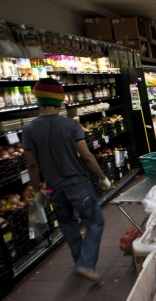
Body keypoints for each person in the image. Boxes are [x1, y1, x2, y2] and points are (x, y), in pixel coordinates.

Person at [22, 78, 110, 280]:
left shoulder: (29, 129)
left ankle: (80, 262)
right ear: (60, 101)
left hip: (53, 188)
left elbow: (32, 165)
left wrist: (37, 192)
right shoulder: (71, 125)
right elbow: (86, 156)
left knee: (68, 225)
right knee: (95, 222)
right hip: (77, 184)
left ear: (38, 100)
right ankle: (86, 264)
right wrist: (102, 177)